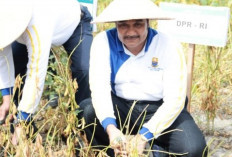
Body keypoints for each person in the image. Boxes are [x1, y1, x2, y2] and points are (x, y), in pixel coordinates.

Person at [79, 0, 208, 156]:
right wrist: (111, 128)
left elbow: (175, 100)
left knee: (194, 149)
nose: (131, 32)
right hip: (121, 106)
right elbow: (100, 91)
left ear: (148, 23)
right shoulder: (103, 42)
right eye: (123, 25)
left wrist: (144, 135)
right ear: (115, 24)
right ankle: (112, 151)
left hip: (159, 108)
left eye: (138, 24)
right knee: (88, 110)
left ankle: (158, 146)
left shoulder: (168, 44)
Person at [0, 0, 93, 144]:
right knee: (15, 67)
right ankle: (26, 130)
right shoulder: (6, 14)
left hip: (74, 24)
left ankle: (79, 128)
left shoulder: (38, 23)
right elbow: (3, 57)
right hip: (38, 29)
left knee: (83, 69)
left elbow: (36, 73)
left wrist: (22, 118)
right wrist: (7, 97)